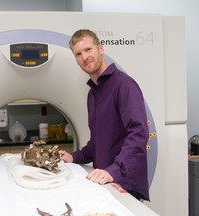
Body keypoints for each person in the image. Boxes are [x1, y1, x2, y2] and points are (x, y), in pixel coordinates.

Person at [59, 29, 150, 201]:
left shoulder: (124, 85)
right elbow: (97, 143)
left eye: (88, 49)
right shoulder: (92, 94)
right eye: (78, 54)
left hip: (124, 181)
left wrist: (113, 171)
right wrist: (74, 156)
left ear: (100, 49)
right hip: (103, 180)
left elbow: (139, 134)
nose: (84, 57)